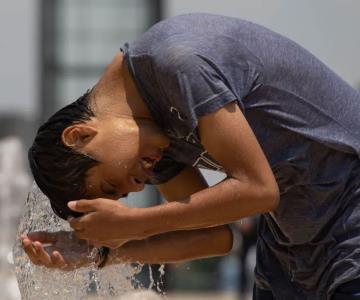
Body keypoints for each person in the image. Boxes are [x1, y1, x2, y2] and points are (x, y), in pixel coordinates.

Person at [21, 14, 360, 299]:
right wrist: (101, 253)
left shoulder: (179, 62)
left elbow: (259, 190)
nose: (136, 188)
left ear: (80, 135)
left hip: (350, 214)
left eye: (112, 184)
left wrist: (136, 224)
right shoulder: (151, 141)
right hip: (290, 253)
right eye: (121, 192)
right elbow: (215, 236)